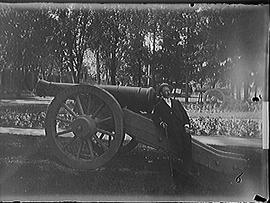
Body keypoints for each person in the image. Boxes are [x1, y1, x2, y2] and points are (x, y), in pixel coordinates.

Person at [152, 83, 193, 189]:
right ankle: (178, 173)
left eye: (169, 90)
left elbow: (184, 115)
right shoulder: (159, 106)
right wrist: (161, 123)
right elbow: (155, 117)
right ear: (161, 93)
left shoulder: (176, 102)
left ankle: (187, 168)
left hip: (182, 129)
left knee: (187, 146)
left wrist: (186, 125)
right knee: (177, 149)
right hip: (171, 131)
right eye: (165, 91)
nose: (168, 92)